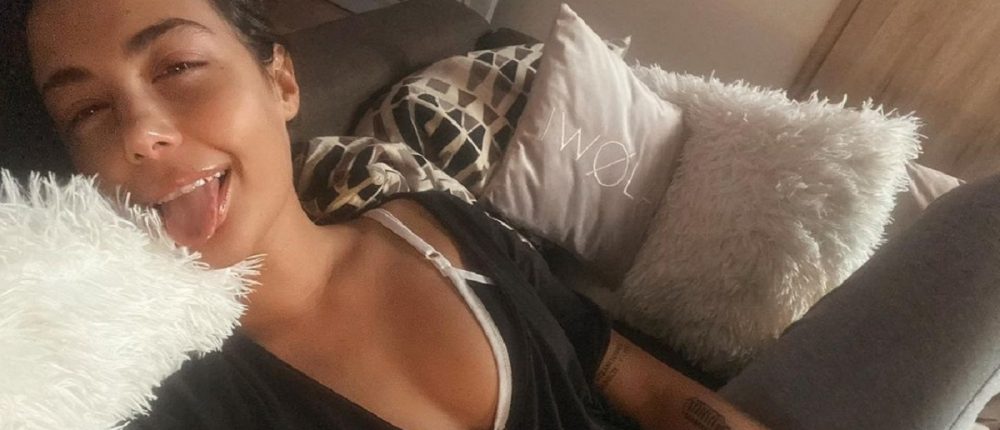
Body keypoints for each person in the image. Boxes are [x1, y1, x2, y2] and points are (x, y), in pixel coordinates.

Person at [8, 0, 1000, 429]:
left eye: (178, 65)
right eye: (87, 111)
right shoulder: (164, 396)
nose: (139, 134)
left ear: (280, 81)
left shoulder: (427, 221)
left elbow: (620, 370)